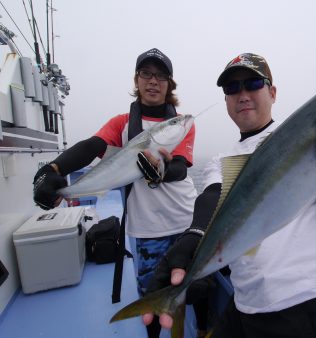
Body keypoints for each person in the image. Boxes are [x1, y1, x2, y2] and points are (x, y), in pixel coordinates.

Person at [142, 53, 316, 337]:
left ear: (273, 92)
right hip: (247, 309)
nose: (242, 94)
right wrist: (194, 234)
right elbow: (213, 199)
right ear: (226, 100)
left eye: (253, 83)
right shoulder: (222, 160)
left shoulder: (308, 134)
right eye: (232, 88)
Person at [32, 48, 198, 338]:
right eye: (146, 73)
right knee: (153, 301)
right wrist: (53, 169)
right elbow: (90, 147)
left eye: (161, 76)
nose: (153, 81)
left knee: (195, 290)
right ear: (137, 79)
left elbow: (180, 168)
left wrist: (161, 171)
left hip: (186, 220)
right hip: (147, 229)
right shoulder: (122, 123)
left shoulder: (181, 123)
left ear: (170, 84)